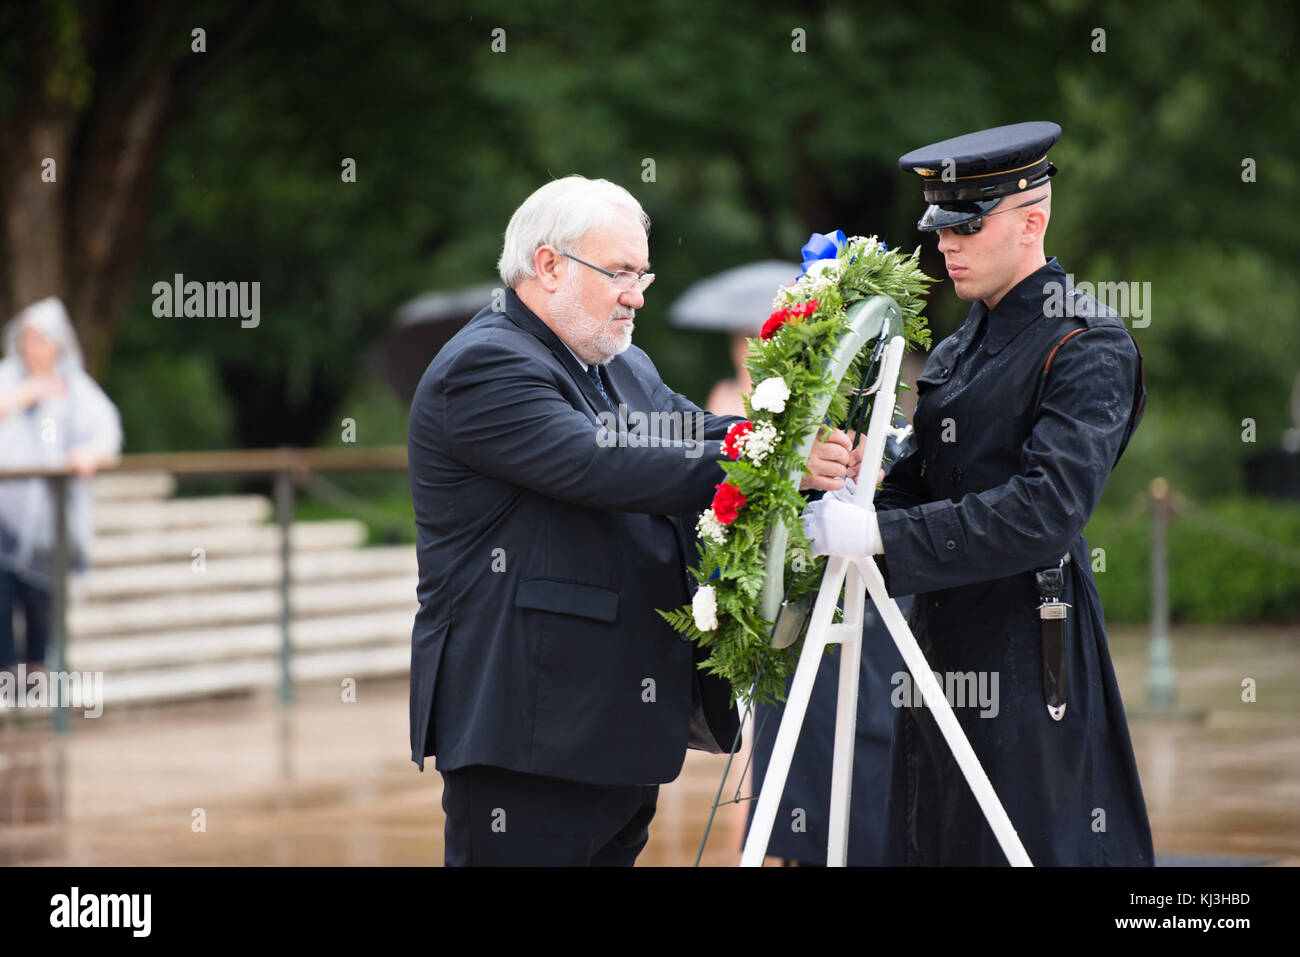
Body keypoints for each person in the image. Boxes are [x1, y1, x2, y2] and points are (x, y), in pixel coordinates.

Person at [407, 175, 862, 866]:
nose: (637, 293)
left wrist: (803, 437)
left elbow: (700, 429)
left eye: (642, 272)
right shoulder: (483, 363)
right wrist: (772, 460)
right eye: (619, 271)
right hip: (527, 735)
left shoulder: (620, 361)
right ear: (548, 265)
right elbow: (603, 464)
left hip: (615, 731)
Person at [801, 122, 1154, 865]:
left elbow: (1047, 511)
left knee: (1023, 841)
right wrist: (852, 502)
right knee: (936, 836)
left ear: (1033, 220)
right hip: (940, 638)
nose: (945, 245)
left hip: (1029, 642)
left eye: (967, 225)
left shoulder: (1086, 340)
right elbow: (924, 477)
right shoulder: (965, 342)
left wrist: (884, 537)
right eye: (939, 226)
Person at [0, 297, 123, 675]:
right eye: (27, 340)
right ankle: (6, 680)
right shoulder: (8, 379)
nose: (31, 348)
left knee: (41, 604)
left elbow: (108, 433)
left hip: (48, 522)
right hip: (4, 515)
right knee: (2, 601)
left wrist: (89, 454)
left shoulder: (75, 388)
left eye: (39, 340)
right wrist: (26, 395)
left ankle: (35, 684)